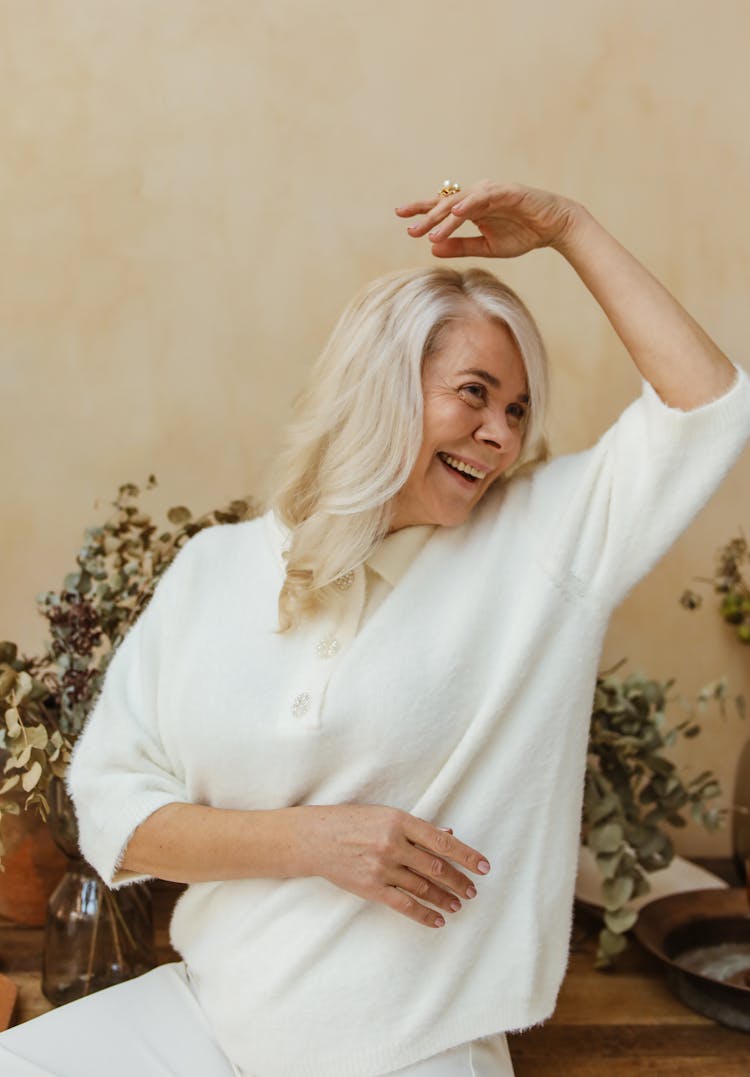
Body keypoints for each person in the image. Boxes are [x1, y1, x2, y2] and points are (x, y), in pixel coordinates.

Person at [1, 180, 748, 1077]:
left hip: (410, 1049)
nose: (500, 437)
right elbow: (112, 808)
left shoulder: (542, 548)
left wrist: (569, 229)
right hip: (205, 1020)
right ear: (383, 384)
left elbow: (706, 407)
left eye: (516, 411)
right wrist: (312, 840)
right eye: (474, 393)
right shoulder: (216, 568)